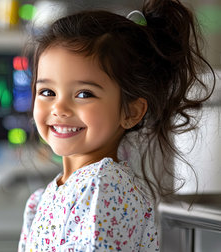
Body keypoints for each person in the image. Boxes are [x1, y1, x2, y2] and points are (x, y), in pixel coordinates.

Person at [18, 0, 215, 251]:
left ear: (131, 112)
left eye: (84, 94)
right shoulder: (40, 200)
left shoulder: (105, 187)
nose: (59, 108)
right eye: (47, 91)